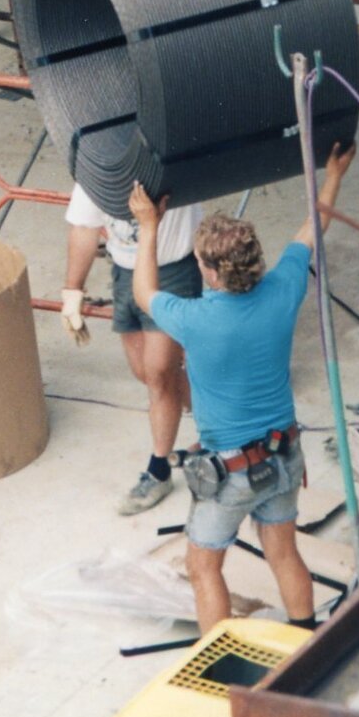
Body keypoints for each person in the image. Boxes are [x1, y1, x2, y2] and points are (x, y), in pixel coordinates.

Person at [130, 141, 357, 633]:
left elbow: (143, 293)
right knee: (283, 551)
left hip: (229, 472)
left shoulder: (194, 318)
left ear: (209, 270)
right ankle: (304, 636)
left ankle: (221, 666)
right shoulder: (285, 288)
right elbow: (312, 228)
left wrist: (149, 228)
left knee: (204, 566)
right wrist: (334, 174)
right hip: (283, 457)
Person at [61, 182, 203, 515]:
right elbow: (84, 228)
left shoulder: (169, 162)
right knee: (147, 372)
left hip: (173, 270)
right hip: (126, 271)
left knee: (158, 375)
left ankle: (159, 470)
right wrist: (72, 291)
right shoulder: (99, 168)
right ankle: (224, 420)